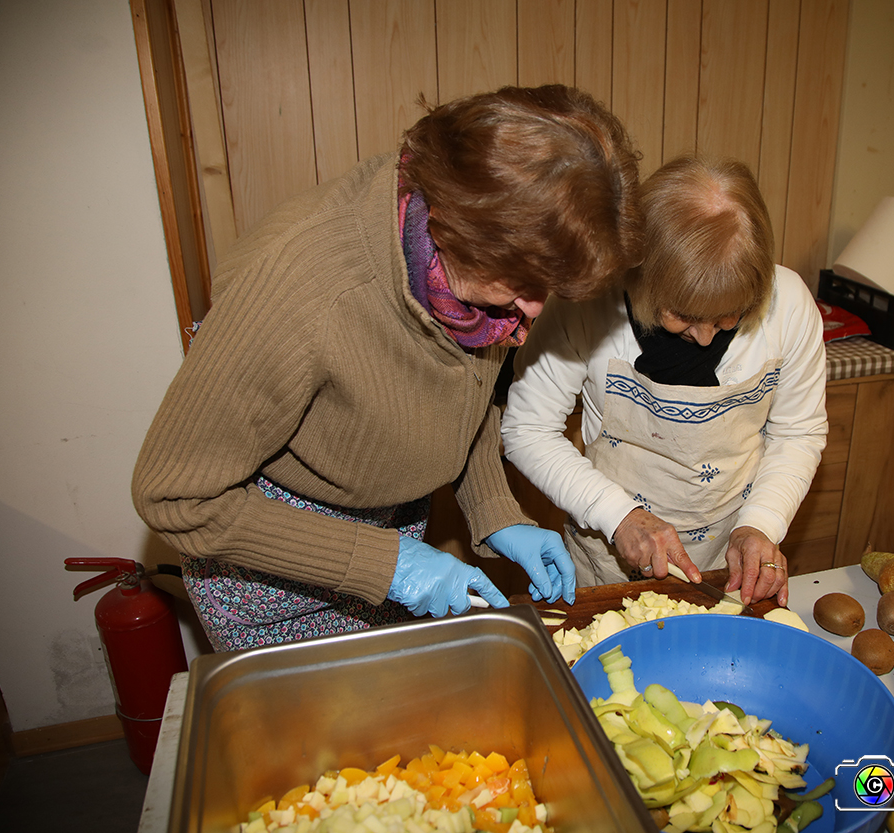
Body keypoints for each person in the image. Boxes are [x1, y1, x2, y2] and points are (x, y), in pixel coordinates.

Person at [132, 85, 643, 651]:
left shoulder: (475, 263)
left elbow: (457, 391)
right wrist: (386, 563)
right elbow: (175, 497)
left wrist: (494, 510)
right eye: (524, 287)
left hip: (391, 531)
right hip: (265, 558)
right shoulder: (297, 289)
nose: (533, 314)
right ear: (455, 229)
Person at [501, 155, 827, 608]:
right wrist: (618, 516)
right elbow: (526, 430)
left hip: (725, 562)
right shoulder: (588, 303)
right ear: (643, 277)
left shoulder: (788, 305)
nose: (706, 336)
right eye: (685, 316)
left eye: (730, 315)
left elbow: (798, 432)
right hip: (606, 558)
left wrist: (763, 524)